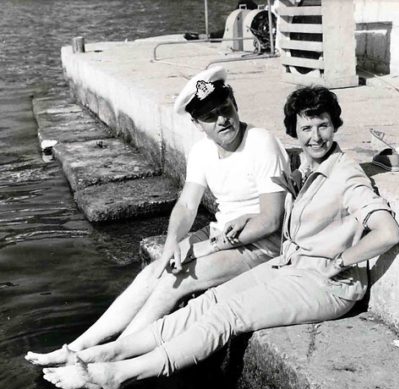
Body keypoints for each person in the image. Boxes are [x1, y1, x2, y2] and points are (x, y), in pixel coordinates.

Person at [41, 86, 399, 389]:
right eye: (306, 127)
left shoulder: (346, 173)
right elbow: (280, 212)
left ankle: (119, 373)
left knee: (227, 315)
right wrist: (246, 218)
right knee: (206, 303)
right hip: (291, 265)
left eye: (323, 125)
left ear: (336, 125)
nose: (316, 136)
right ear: (295, 131)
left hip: (327, 283)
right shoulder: (306, 168)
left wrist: (341, 260)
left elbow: (388, 233)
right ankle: (110, 352)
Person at [25, 66, 289, 367]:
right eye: (210, 117)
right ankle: (77, 347)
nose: (222, 120)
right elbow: (187, 205)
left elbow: (270, 220)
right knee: (154, 271)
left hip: (263, 243)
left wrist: (209, 247)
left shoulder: (260, 142)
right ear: (197, 123)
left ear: (234, 103)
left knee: (172, 282)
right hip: (223, 234)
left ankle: (111, 356)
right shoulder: (202, 151)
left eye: (225, 109)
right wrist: (172, 244)